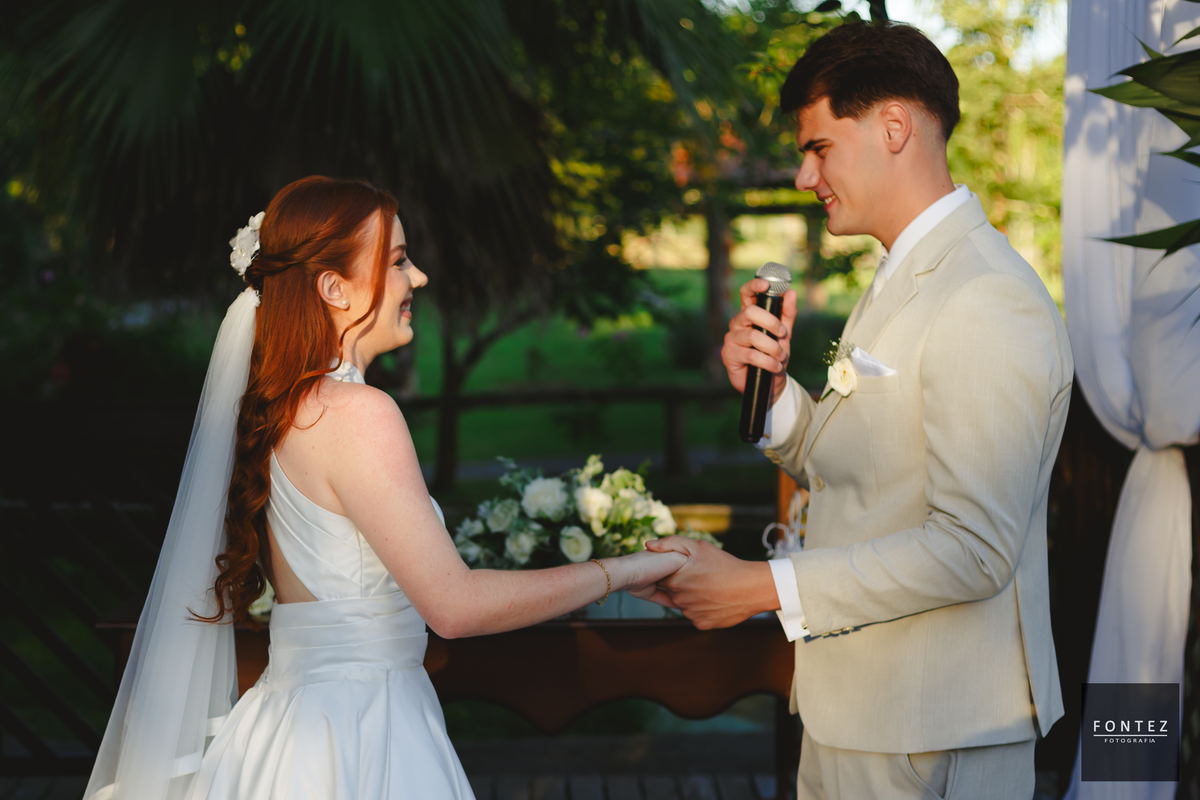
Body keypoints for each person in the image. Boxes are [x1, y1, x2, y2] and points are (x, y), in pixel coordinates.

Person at [85, 176, 685, 800]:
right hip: (361, 734)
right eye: (397, 261)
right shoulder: (359, 414)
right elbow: (455, 607)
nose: (417, 277)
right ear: (334, 288)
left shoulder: (283, 410)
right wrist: (626, 570)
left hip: (287, 730)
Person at [646, 22, 1071, 800]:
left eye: (819, 148)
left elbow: (974, 549)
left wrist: (761, 587)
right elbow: (866, 474)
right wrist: (775, 397)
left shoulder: (983, 296)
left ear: (894, 127)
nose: (804, 176)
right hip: (857, 714)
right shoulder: (904, 276)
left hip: (932, 728)